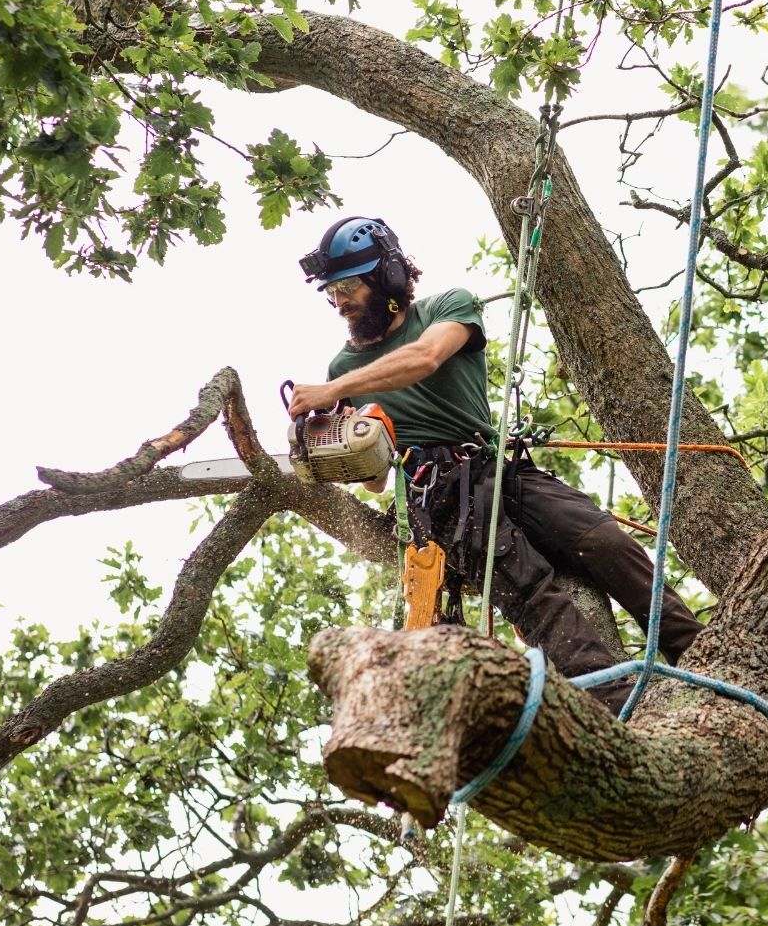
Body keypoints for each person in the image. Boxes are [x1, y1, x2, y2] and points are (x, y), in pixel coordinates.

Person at [287, 216, 703, 713]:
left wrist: (335, 391)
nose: (340, 301)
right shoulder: (344, 368)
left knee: (603, 540)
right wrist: (345, 446)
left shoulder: (447, 308)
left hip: (495, 468)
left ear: (389, 278)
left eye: (350, 285)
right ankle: (618, 705)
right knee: (530, 587)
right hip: (439, 495)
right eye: (332, 291)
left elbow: (425, 358)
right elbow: (377, 482)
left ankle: (699, 652)